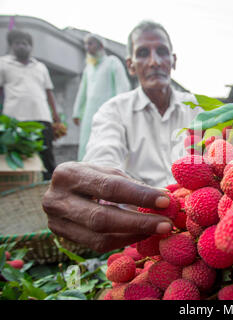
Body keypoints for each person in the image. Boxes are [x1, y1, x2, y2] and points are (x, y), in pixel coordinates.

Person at [42, 21, 203, 253]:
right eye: (143, 53)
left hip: (197, 225)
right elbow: (102, 158)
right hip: (139, 235)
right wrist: (96, 186)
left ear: (173, 60)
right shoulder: (113, 111)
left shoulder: (199, 110)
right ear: (130, 65)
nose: (154, 61)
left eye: (162, 52)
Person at [0, 29, 61, 180]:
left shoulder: (40, 67)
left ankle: (50, 189)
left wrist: (56, 116)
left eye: (25, 43)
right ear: (11, 46)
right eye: (17, 43)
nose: (21, 46)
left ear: (30, 47)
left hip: (41, 117)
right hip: (14, 120)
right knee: (16, 159)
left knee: (47, 158)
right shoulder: (3, 64)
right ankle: (20, 192)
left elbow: (49, 92)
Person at [72, 33, 131, 161]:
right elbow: (82, 91)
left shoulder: (112, 62)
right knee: (86, 143)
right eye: (86, 44)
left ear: (100, 45)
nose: (87, 47)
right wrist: (77, 112)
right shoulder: (88, 68)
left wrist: (122, 109)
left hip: (109, 113)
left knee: (108, 143)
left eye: (90, 43)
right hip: (89, 114)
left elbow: (122, 86)